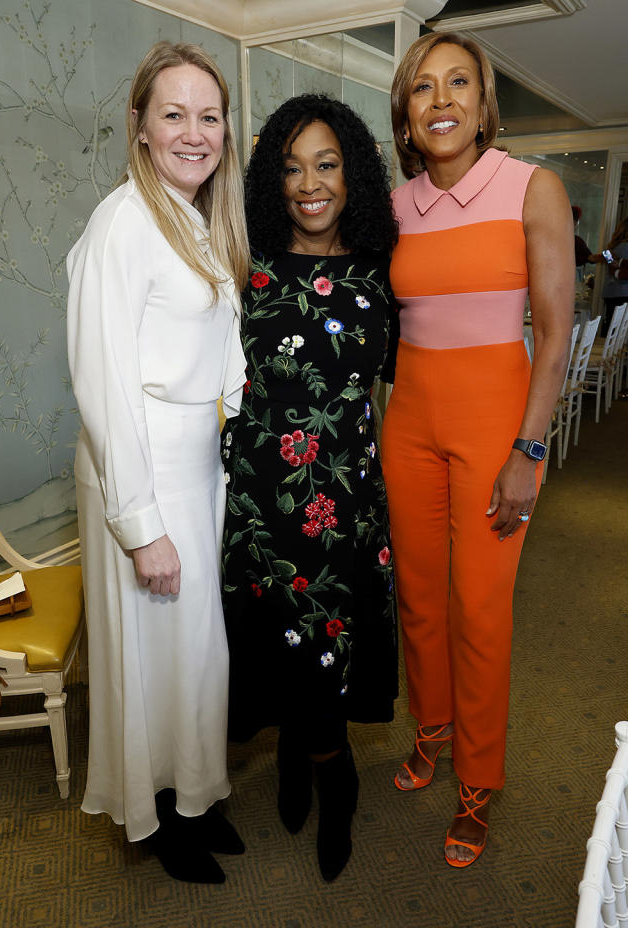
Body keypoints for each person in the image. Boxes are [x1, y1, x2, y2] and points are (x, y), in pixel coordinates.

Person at [382, 32, 574, 868]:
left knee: (480, 609)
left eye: (459, 82)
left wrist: (529, 451)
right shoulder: (395, 206)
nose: (442, 100)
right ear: (407, 113)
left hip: (498, 419)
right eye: (423, 88)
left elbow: (558, 333)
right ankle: (429, 731)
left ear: (484, 101)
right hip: (410, 423)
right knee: (419, 599)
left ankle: (479, 782)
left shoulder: (534, 188)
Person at [66, 41, 249, 884]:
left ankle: (196, 795)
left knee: (196, 652)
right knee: (153, 656)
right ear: (140, 126)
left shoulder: (198, 223)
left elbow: (219, 346)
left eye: (207, 116)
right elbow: (103, 383)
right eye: (173, 114)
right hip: (140, 472)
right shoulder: (123, 222)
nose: (193, 132)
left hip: (196, 470)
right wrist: (141, 527)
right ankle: (158, 817)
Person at [221, 94, 399, 882]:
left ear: (352, 173)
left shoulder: (382, 272)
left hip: (345, 500)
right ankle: (297, 753)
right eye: (291, 168)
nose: (309, 184)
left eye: (326, 164)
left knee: (330, 641)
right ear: (271, 181)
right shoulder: (242, 268)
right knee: (275, 639)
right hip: (262, 498)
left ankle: (336, 776)